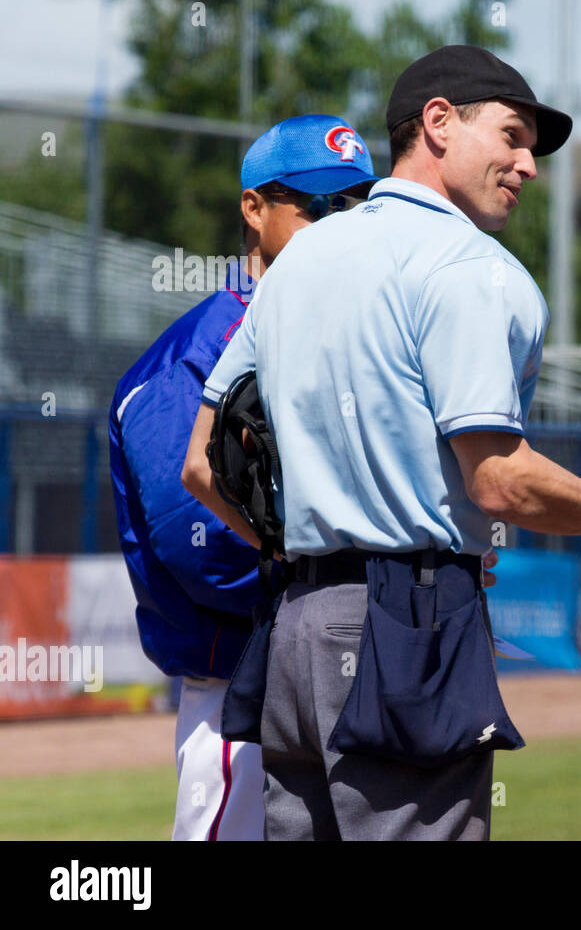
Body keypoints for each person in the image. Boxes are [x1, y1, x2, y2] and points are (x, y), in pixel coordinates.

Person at [180, 45, 581, 841]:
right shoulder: (473, 268)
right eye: (511, 136)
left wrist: (306, 544)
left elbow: (201, 463)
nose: (528, 165)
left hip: (295, 622)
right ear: (437, 123)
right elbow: (498, 482)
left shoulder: (296, 262)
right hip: (407, 622)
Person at [109, 114, 378, 840]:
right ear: (253, 208)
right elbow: (197, 546)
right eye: (317, 206)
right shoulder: (197, 355)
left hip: (337, 665)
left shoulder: (346, 332)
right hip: (245, 684)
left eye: (356, 205)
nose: (339, 224)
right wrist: (343, 578)